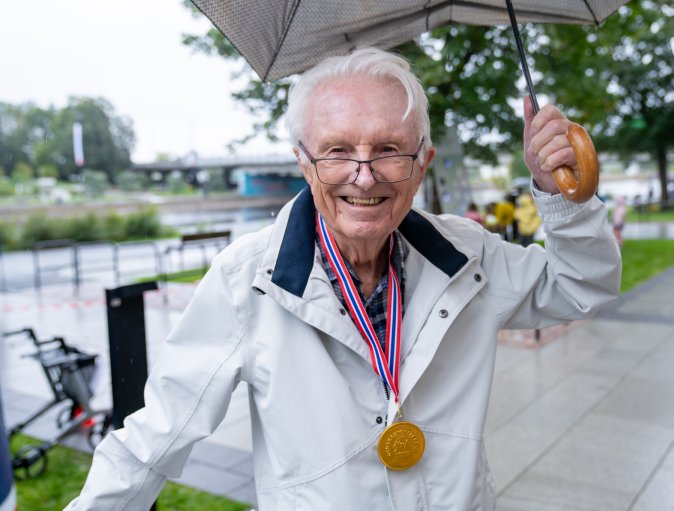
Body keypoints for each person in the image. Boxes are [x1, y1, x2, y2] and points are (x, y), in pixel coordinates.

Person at [65, 47, 621, 510]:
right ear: (304, 162)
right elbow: (154, 439)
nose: (363, 175)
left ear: (421, 163)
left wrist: (558, 194)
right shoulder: (246, 281)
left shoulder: (467, 254)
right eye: (337, 151)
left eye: (388, 150)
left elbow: (581, 285)